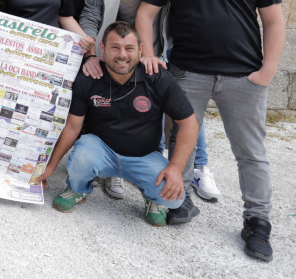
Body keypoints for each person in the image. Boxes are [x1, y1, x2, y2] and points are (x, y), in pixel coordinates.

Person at [136, 0, 285, 262]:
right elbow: (145, 12)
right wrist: (148, 52)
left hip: (243, 76)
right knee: (180, 140)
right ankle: (179, 199)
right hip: (188, 73)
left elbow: (274, 21)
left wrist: (267, 71)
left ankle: (257, 221)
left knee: (250, 152)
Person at [33, 22, 198, 227]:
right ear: (102, 49)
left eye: (129, 48)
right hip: (101, 152)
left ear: (140, 49)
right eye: (115, 47)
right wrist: (51, 166)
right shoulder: (90, 76)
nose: (122, 55)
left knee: (173, 199)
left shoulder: (157, 77)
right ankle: (77, 189)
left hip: (144, 156)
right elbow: (73, 127)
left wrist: (175, 167)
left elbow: (189, 123)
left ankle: (152, 200)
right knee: (81, 155)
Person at [78, 0, 185, 200]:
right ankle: (112, 171)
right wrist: (91, 51)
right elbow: (91, 13)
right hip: (119, 48)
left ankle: (169, 169)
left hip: (160, 44)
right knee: (117, 106)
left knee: (171, 107)